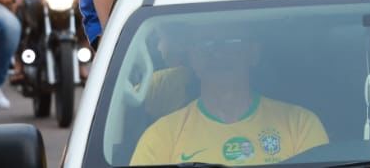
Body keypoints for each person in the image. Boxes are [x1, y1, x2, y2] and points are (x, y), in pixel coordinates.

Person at [131, 27, 328, 165]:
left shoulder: (300, 125)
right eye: (206, 44)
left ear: (253, 53)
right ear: (192, 57)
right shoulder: (161, 136)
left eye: (232, 43)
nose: (218, 54)